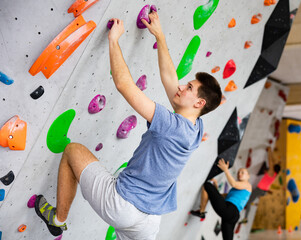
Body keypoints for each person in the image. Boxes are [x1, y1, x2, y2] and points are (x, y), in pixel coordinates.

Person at [34, 11, 222, 239]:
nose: (182, 87)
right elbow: (171, 79)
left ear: (200, 102)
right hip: (150, 221)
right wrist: (160, 37)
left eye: (189, 88)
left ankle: (58, 220)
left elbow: (124, 85)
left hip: (122, 204)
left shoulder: (171, 124)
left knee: (72, 150)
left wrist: (114, 40)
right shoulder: (196, 127)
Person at [191, 158, 252, 240]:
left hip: (229, 210)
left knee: (207, 185)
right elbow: (219, 197)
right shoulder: (237, 191)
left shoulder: (247, 185)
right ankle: (201, 212)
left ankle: (202, 212)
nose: (239, 174)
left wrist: (226, 170)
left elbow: (233, 183)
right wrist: (215, 188)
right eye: (238, 173)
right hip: (233, 215)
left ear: (248, 176)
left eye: (242, 172)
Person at [241, 147, 281, 223]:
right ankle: (246, 215)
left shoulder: (271, 171)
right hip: (263, 190)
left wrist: (270, 151)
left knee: (248, 202)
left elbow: (271, 161)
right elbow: (273, 163)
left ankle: (245, 218)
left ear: (274, 168)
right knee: (249, 196)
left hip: (260, 190)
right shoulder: (275, 174)